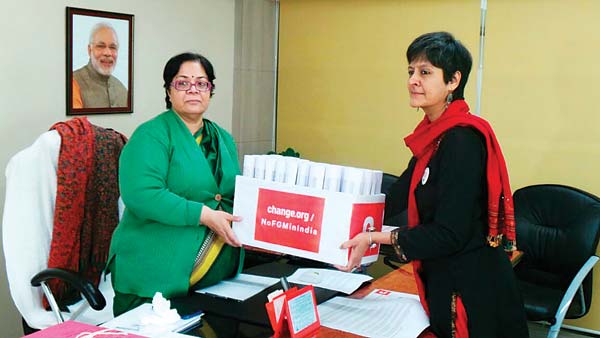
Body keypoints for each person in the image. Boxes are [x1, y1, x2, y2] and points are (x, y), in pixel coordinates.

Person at [337, 32, 529, 338]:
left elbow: (449, 234)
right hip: (446, 277)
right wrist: (338, 219)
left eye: (425, 72)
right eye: (411, 71)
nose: (413, 80)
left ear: (453, 81)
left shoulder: (460, 140)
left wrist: (375, 236)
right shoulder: (434, 137)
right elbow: (397, 196)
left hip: (469, 291)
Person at [106, 52, 244, 316]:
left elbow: (231, 194)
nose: (193, 90)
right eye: (183, 83)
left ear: (210, 90)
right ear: (169, 91)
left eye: (202, 83)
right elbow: (142, 195)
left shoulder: (223, 138)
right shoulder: (151, 136)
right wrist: (202, 214)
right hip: (153, 277)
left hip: (213, 279)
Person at [72, 22, 128, 108]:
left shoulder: (122, 90)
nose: (107, 53)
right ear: (89, 50)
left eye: (112, 47)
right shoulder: (73, 82)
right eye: (101, 46)